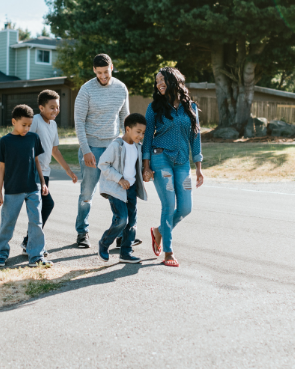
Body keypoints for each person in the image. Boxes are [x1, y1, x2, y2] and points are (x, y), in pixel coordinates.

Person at [73, 53, 141, 249]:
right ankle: (82, 232)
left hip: (113, 147)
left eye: (106, 71)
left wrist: (127, 145)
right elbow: (79, 122)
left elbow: (124, 118)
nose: (103, 76)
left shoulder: (121, 88)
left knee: (119, 190)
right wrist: (86, 150)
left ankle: (120, 234)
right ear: (94, 71)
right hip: (92, 147)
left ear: (112, 67)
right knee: (87, 192)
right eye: (99, 72)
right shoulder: (86, 90)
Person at [142, 67, 204, 268]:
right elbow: (147, 137)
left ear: (174, 81)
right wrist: (146, 165)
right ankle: (168, 252)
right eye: (157, 81)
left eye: (163, 80)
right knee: (168, 206)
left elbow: (196, 138)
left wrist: (199, 167)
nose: (159, 84)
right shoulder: (154, 108)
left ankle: (159, 231)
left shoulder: (190, 107)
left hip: (183, 163)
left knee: (186, 207)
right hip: (160, 159)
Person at [0, 104, 53, 268]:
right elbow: (1, 168)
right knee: (8, 223)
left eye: (29, 125)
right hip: (13, 190)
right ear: (14, 121)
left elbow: (36, 162)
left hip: (33, 188)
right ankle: (1, 255)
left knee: (36, 222)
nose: (27, 128)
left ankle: (36, 256)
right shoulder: (5, 141)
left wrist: (42, 183)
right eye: (23, 125)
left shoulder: (33, 138)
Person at [21, 90, 79, 254]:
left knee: (41, 207)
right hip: (33, 171)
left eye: (57, 107)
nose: (56, 110)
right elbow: (27, 145)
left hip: (45, 172)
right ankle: (32, 243)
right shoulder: (36, 121)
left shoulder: (53, 125)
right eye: (51, 107)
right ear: (41, 107)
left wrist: (68, 170)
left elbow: (55, 150)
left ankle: (29, 241)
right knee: (44, 205)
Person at [96, 113, 148, 264]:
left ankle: (126, 253)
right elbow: (103, 164)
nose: (141, 135)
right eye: (138, 132)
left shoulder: (138, 147)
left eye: (143, 133)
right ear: (127, 129)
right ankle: (104, 243)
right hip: (116, 189)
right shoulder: (116, 146)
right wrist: (119, 179)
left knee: (131, 222)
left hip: (131, 188)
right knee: (121, 220)